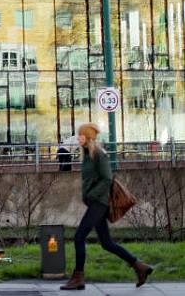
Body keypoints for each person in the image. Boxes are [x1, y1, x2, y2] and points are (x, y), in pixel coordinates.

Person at [60, 123, 153, 290]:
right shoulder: (87, 155)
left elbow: (107, 178)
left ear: (88, 137)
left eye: (80, 135)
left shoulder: (99, 155)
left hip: (99, 203)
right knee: (106, 243)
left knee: (79, 237)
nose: (77, 138)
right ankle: (140, 267)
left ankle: (78, 278)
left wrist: (93, 195)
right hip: (95, 202)